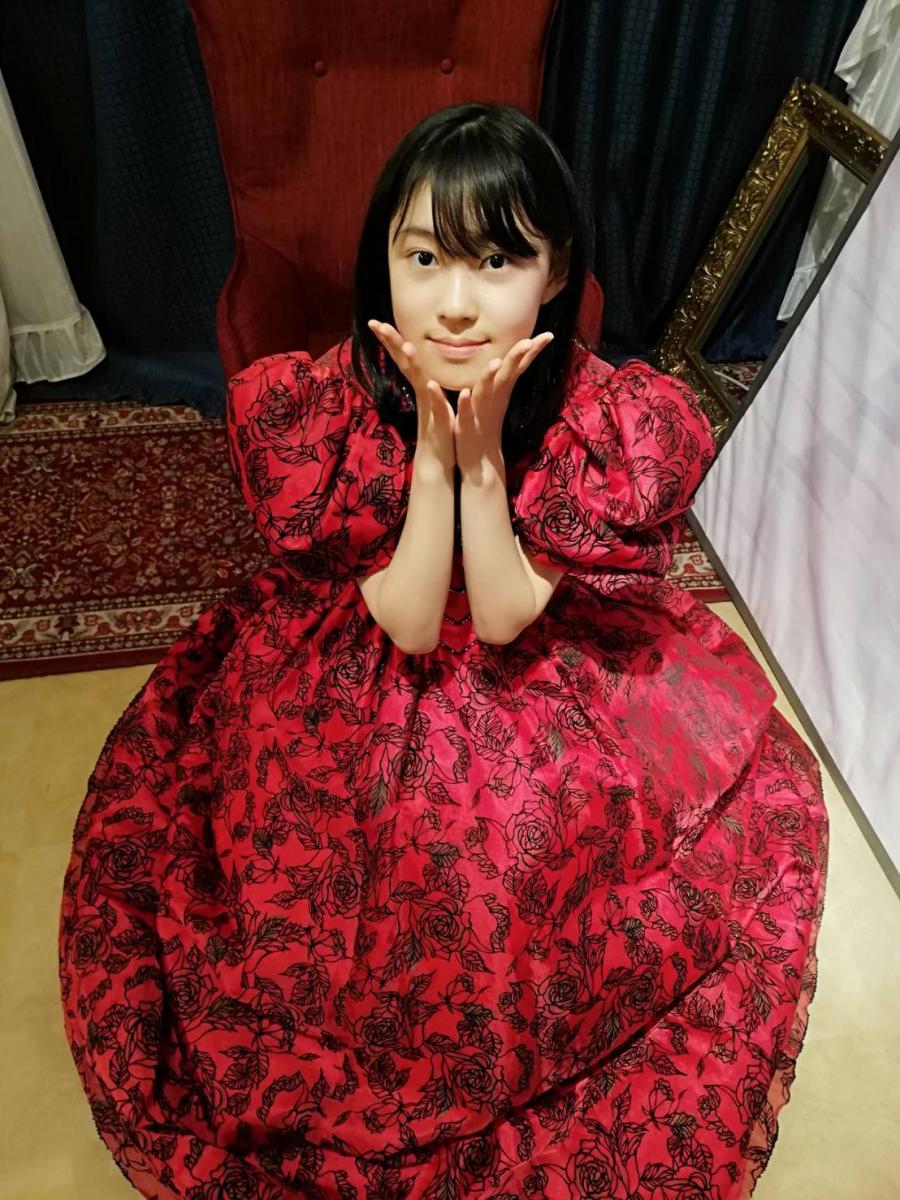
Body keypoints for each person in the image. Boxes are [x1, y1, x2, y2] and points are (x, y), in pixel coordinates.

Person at [59, 101, 828, 1200]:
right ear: (383, 262)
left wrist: (483, 460)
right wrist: (433, 446)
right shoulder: (324, 399)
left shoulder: (602, 415)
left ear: (555, 274)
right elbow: (411, 623)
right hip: (370, 643)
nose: (456, 302)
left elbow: (506, 617)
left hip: (542, 653)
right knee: (318, 855)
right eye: (423, 258)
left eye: (498, 260)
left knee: (527, 846)